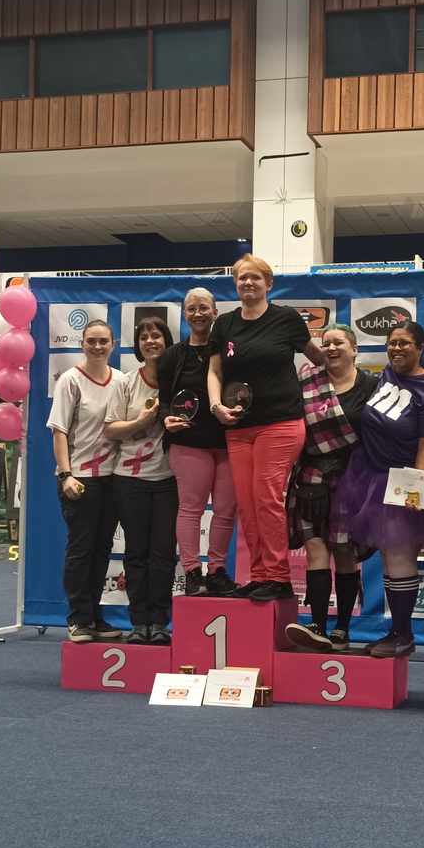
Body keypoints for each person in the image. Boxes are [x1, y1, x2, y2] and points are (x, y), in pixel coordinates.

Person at [205, 254, 325, 602]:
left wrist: (344, 362)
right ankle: (259, 576)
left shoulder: (286, 318)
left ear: (268, 284)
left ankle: (279, 577)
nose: (248, 282)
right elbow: (214, 372)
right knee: (247, 504)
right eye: (242, 277)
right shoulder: (224, 324)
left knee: (266, 499)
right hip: (238, 427)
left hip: (280, 424)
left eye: (255, 277)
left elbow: (318, 358)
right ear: (235, 284)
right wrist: (216, 406)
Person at [330, 322, 424, 658]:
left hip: (403, 482)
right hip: (369, 476)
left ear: (420, 347)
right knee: (388, 557)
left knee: (400, 556)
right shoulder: (387, 374)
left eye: (405, 343)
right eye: (392, 343)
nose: (396, 349)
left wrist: (416, 492)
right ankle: (395, 631)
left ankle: (403, 634)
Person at [284, 325, 378, 653]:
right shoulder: (306, 381)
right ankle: (318, 626)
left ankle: (342, 629)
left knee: (345, 553)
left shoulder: (372, 385)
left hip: (353, 477)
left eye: (338, 343)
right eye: (325, 344)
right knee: (315, 548)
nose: (331, 348)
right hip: (311, 475)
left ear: (354, 350)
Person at [157, 287, 238, 597]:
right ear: (184, 314)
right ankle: (192, 572)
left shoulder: (229, 353)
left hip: (229, 442)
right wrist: (166, 418)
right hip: (188, 442)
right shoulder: (171, 356)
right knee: (191, 509)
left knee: (225, 511)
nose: (198, 313)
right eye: (191, 308)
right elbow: (165, 401)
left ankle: (217, 572)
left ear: (215, 312)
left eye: (204, 307)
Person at [49, 319, 123, 644]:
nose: (97, 346)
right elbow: (59, 431)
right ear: (82, 344)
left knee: (101, 550)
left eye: (103, 341)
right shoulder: (70, 380)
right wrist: (66, 475)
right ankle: (78, 618)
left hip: (112, 479)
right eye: (91, 341)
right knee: (81, 550)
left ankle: (94, 615)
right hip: (79, 478)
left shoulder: (121, 380)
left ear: (113, 344)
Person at [104, 317, 177, 645]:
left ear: (166, 341)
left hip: (169, 480)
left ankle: (159, 621)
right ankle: (138, 622)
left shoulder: (178, 380)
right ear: (138, 345)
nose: (150, 341)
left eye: (156, 335)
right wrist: (143, 420)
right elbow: (111, 429)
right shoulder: (125, 383)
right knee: (135, 553)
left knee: (163, 554)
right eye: (144, 337)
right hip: (129, 481)